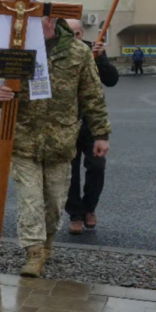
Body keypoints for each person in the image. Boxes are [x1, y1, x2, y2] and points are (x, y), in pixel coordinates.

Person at [0, 16, 110, 278]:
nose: (42, 23)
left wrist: (101, 134)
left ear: (55, 20)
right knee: (30, 200)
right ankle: (33, 253)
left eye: (46, 17)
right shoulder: (17, 48)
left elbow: (92, 96)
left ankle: (46, 242)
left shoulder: (78, 52)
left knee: (55, 202)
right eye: (37, 18)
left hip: (60, 142)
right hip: (23, 139)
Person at [64, 20, 119, 235]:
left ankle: (89, 209)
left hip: (91, 123)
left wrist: (102, 59)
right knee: (71, 172)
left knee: (96, 166)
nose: (74, 38)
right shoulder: (59, 55)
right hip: (67, 123)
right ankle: (75, 214)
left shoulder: (92, 51)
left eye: (77, 33)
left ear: (82, 33)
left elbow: (112, 80)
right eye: (70, 34)